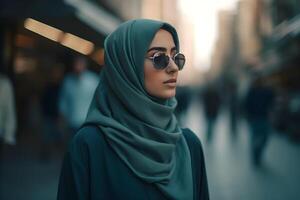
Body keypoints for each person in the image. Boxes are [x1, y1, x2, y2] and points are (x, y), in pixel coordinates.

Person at [57, 19, 209, 200]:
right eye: (159, 58)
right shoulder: (89, 147)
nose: (174, 67)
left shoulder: (189, 146)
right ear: (125, 65)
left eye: (176, 57)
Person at [59, 56, 99, 136]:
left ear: (85, 65)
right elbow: (63, 100)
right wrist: (62, 116)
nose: (77, 67)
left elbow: (99, 100)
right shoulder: (68, 81)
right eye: (76, 64)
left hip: (89, 123)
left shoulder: (93, 80)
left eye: (80, 64)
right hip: (72, 122)